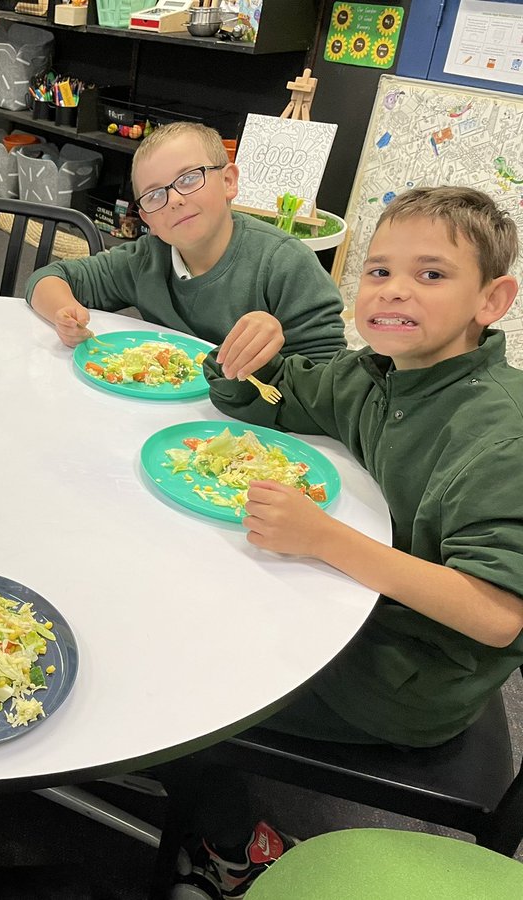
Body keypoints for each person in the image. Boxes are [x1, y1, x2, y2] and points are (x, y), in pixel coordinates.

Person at [182, 186, 523, 898]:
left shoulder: (500, 434)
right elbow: (280, 396)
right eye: (378, 270)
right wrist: (243, 359)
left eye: (431, 274)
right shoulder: (376, 375)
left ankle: (234, 849)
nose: (394, 290)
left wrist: (325, 539)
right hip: (350, 606)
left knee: (189, 683)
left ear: (492, 302)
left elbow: (496, 615)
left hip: (409, 676)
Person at [26, 122, 346, 377]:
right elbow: (49, 277)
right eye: (154, 195)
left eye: (190, 179)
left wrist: (272, 354)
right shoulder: (145, 260)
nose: (176, 199)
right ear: (147, 218)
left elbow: (331, 377)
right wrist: (64, 313)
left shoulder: (285, 263)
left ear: (229, 182)